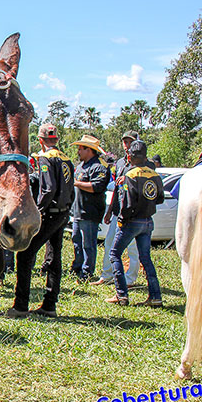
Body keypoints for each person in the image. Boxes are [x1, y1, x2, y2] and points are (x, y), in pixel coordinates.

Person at [8, 123, 74, 318]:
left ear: (41, 140)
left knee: (26, 255)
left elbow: (48, 188)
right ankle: (49, 304)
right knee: (54, 258)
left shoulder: (45, 158)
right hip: (63, 213)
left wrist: (37, 210)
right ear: (57, 140)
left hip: (50, 213)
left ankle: (20, 305)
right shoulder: (66, 158)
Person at [105, 140, 164, 307]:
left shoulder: (129, 176)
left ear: (129, 157)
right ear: (145, 157)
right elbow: (159, 198)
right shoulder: (154, 175)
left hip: (131, 222)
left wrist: (122, 219)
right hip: (147, 221)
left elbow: (126, 203)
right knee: (146, 259)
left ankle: (121, 295)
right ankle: (155, 296)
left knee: (115, 254)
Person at [92, 131, 140, 287]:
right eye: (125, 142)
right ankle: (107, 275)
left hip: (134, 213)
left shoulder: (143, 163)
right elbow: (117, 189)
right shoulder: (120, 163)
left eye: (130, 142)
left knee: (132, 247)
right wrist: (109, 209)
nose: (127, 146)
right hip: (118, 211)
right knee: (109, 242)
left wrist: (129, 178)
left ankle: (130, 279)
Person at [69, 134, 110, 281]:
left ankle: (87, 272)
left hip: (90, 212)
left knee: (88, 244)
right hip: (78, 211)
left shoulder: (99, 166)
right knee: (76, 241)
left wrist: (76, 183)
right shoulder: (81, 166)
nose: (78, 152)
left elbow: (97, 187)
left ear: (89, 150)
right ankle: (77, 268)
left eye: (81, 149)